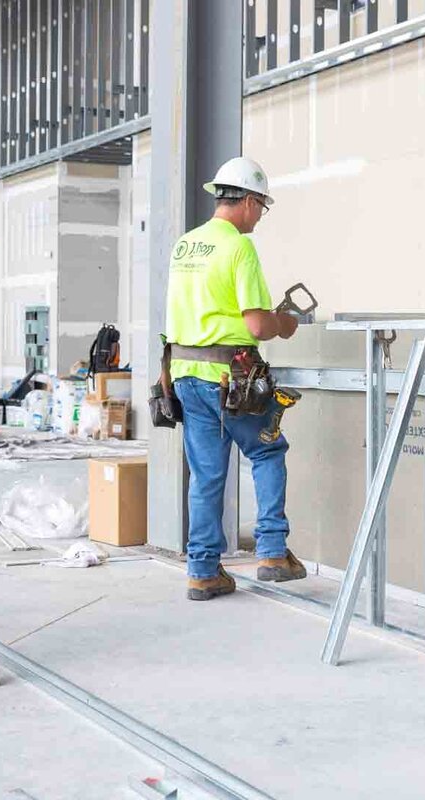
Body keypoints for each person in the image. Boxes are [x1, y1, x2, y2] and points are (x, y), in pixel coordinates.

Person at [162, 156, 305, 601]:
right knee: (267, 450)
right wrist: (286, 322)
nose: (260, 215)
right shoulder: (238, 247)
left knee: (206, 475)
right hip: (230, 378)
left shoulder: (185, 245)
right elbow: (258, 325)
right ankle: (273, 552)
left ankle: (203, 571)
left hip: (184, 374)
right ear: (246, 200)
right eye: (261, 206)